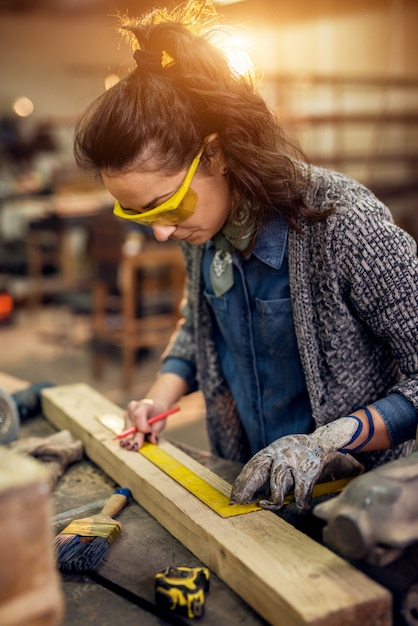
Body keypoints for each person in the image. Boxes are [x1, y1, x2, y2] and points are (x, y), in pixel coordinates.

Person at [73, 0, 418, 513]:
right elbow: (201, 325)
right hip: (250, 490)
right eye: (139, 215)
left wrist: (329, 441)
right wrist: (158, 399)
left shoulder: (343, 224)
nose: (163, 232)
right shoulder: (204, 228)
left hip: (358, 506)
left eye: (167, 204)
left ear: (215, 153)